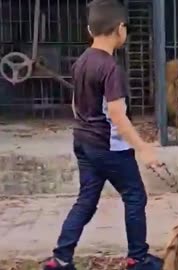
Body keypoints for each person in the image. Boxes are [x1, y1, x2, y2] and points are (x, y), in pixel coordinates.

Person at [43, 0, 163, 269]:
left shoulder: (81, 62)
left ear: (89, 29)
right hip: (109, 148)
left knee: (86, 200)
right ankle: (138, 258)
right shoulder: (111, 68)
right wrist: (143, 148)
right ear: (120, 29)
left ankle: (61, 258)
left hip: (83, 143)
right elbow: (117, 114)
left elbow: (76, 103)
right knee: (135, 196)